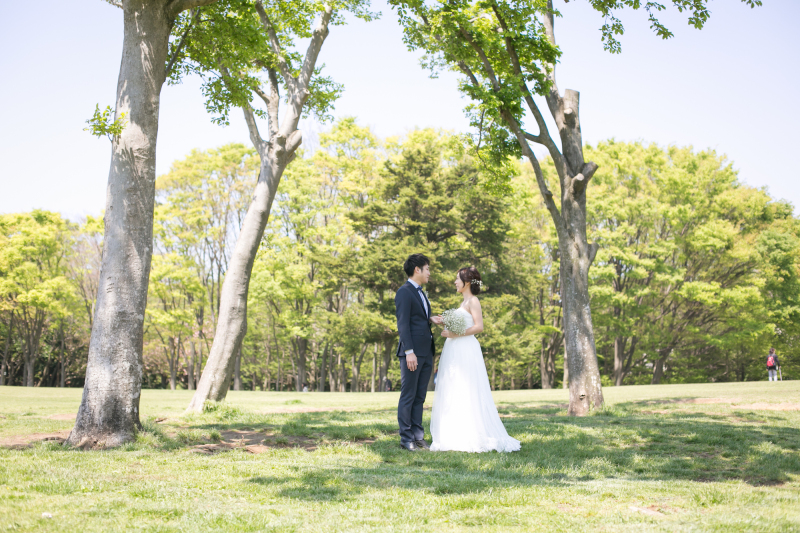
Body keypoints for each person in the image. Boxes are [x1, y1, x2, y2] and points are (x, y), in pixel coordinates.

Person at [431, 266, 520, 453]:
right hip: (454, 349)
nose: (455, 282)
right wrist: (442, 321)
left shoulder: (473, 301)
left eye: (457, 279)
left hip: (465, 349)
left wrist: (455, 334)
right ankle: (453, 433)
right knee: (453, 387)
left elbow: (479, 327)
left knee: (466, 387)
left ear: (467, 282)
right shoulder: (463, 304)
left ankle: (471, 434)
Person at [395, 253, 444, 452]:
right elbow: (403, 324)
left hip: (426, 352)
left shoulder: (421, 292)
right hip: (412, 353)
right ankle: (406, 438)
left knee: (420, 396)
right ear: (418, 269)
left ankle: (418, 436)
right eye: (427, 269)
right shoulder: (404, 292)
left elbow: (416, 318)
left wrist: (429, 319)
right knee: (408, 395)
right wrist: (409, 351)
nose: (429, 273)